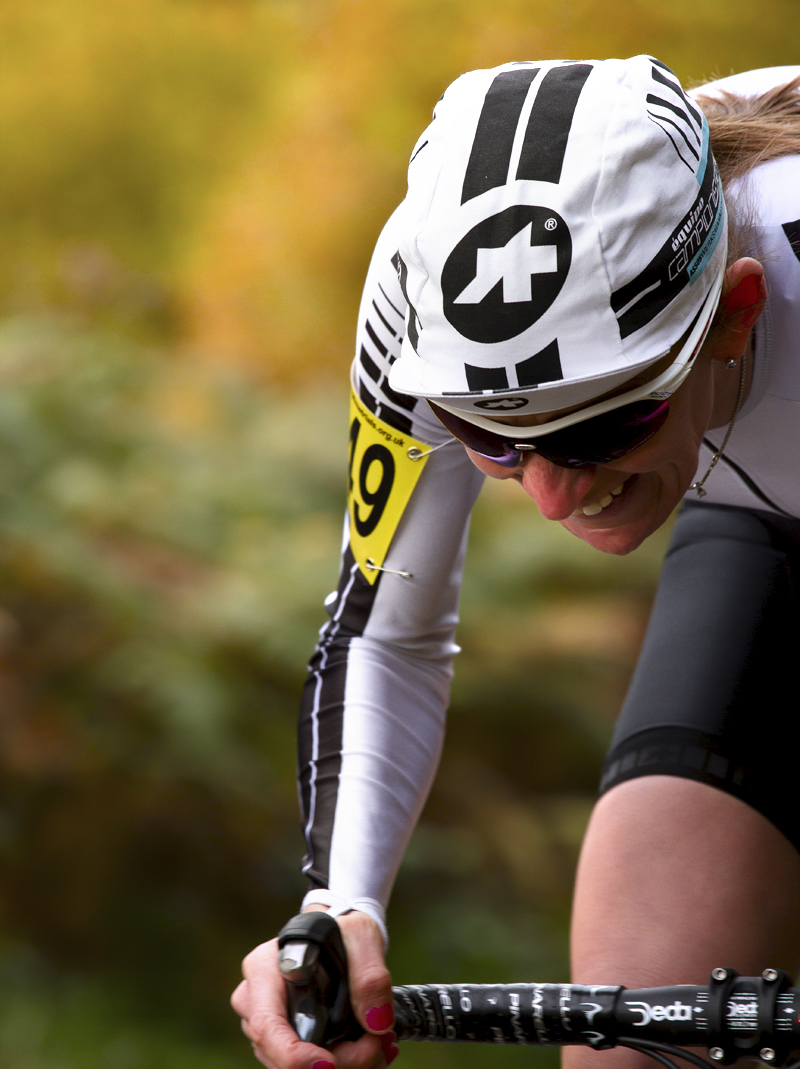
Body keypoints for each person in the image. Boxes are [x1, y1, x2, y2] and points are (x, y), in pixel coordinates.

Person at [231, 57, 800, 1069]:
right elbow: (383, 627)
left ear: (735, 311)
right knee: (627, 1041)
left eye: (599, 430)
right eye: (486, 438)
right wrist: (341, 904)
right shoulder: (429, 293)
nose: (547, 495)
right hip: (758, 529)